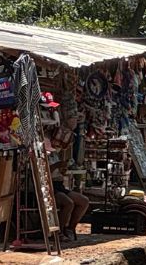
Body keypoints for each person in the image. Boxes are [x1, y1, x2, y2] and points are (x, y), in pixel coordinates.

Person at [44, 91, 89, 241]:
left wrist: (62, 168)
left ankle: (70, 228)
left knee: (84, 201)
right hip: (47, 186)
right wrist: (58, 165)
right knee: (68, 203)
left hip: (58, 185)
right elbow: (42, 172)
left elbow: (57, 170)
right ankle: (60, 232)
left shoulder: (53, 142)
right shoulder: (42, 144)